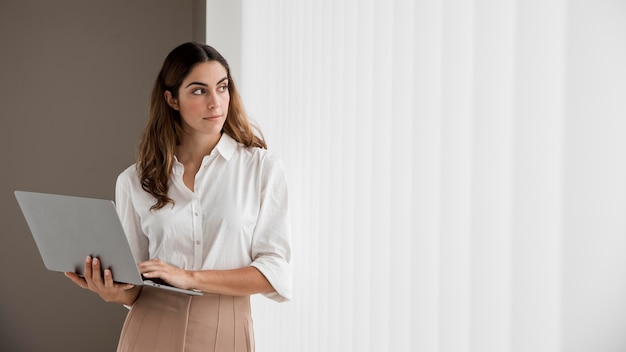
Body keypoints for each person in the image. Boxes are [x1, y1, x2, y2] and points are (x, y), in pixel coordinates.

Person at [65, 42, 292, 352]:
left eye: (222, 87)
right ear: (171, 99)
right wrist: (113, 292)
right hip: (149, 327)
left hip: (227, 331)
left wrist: (190, 277)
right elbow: (134, 286)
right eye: (199, 91)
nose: (216, 103)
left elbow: (274, 271)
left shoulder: (261, 168)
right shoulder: (135, 180)